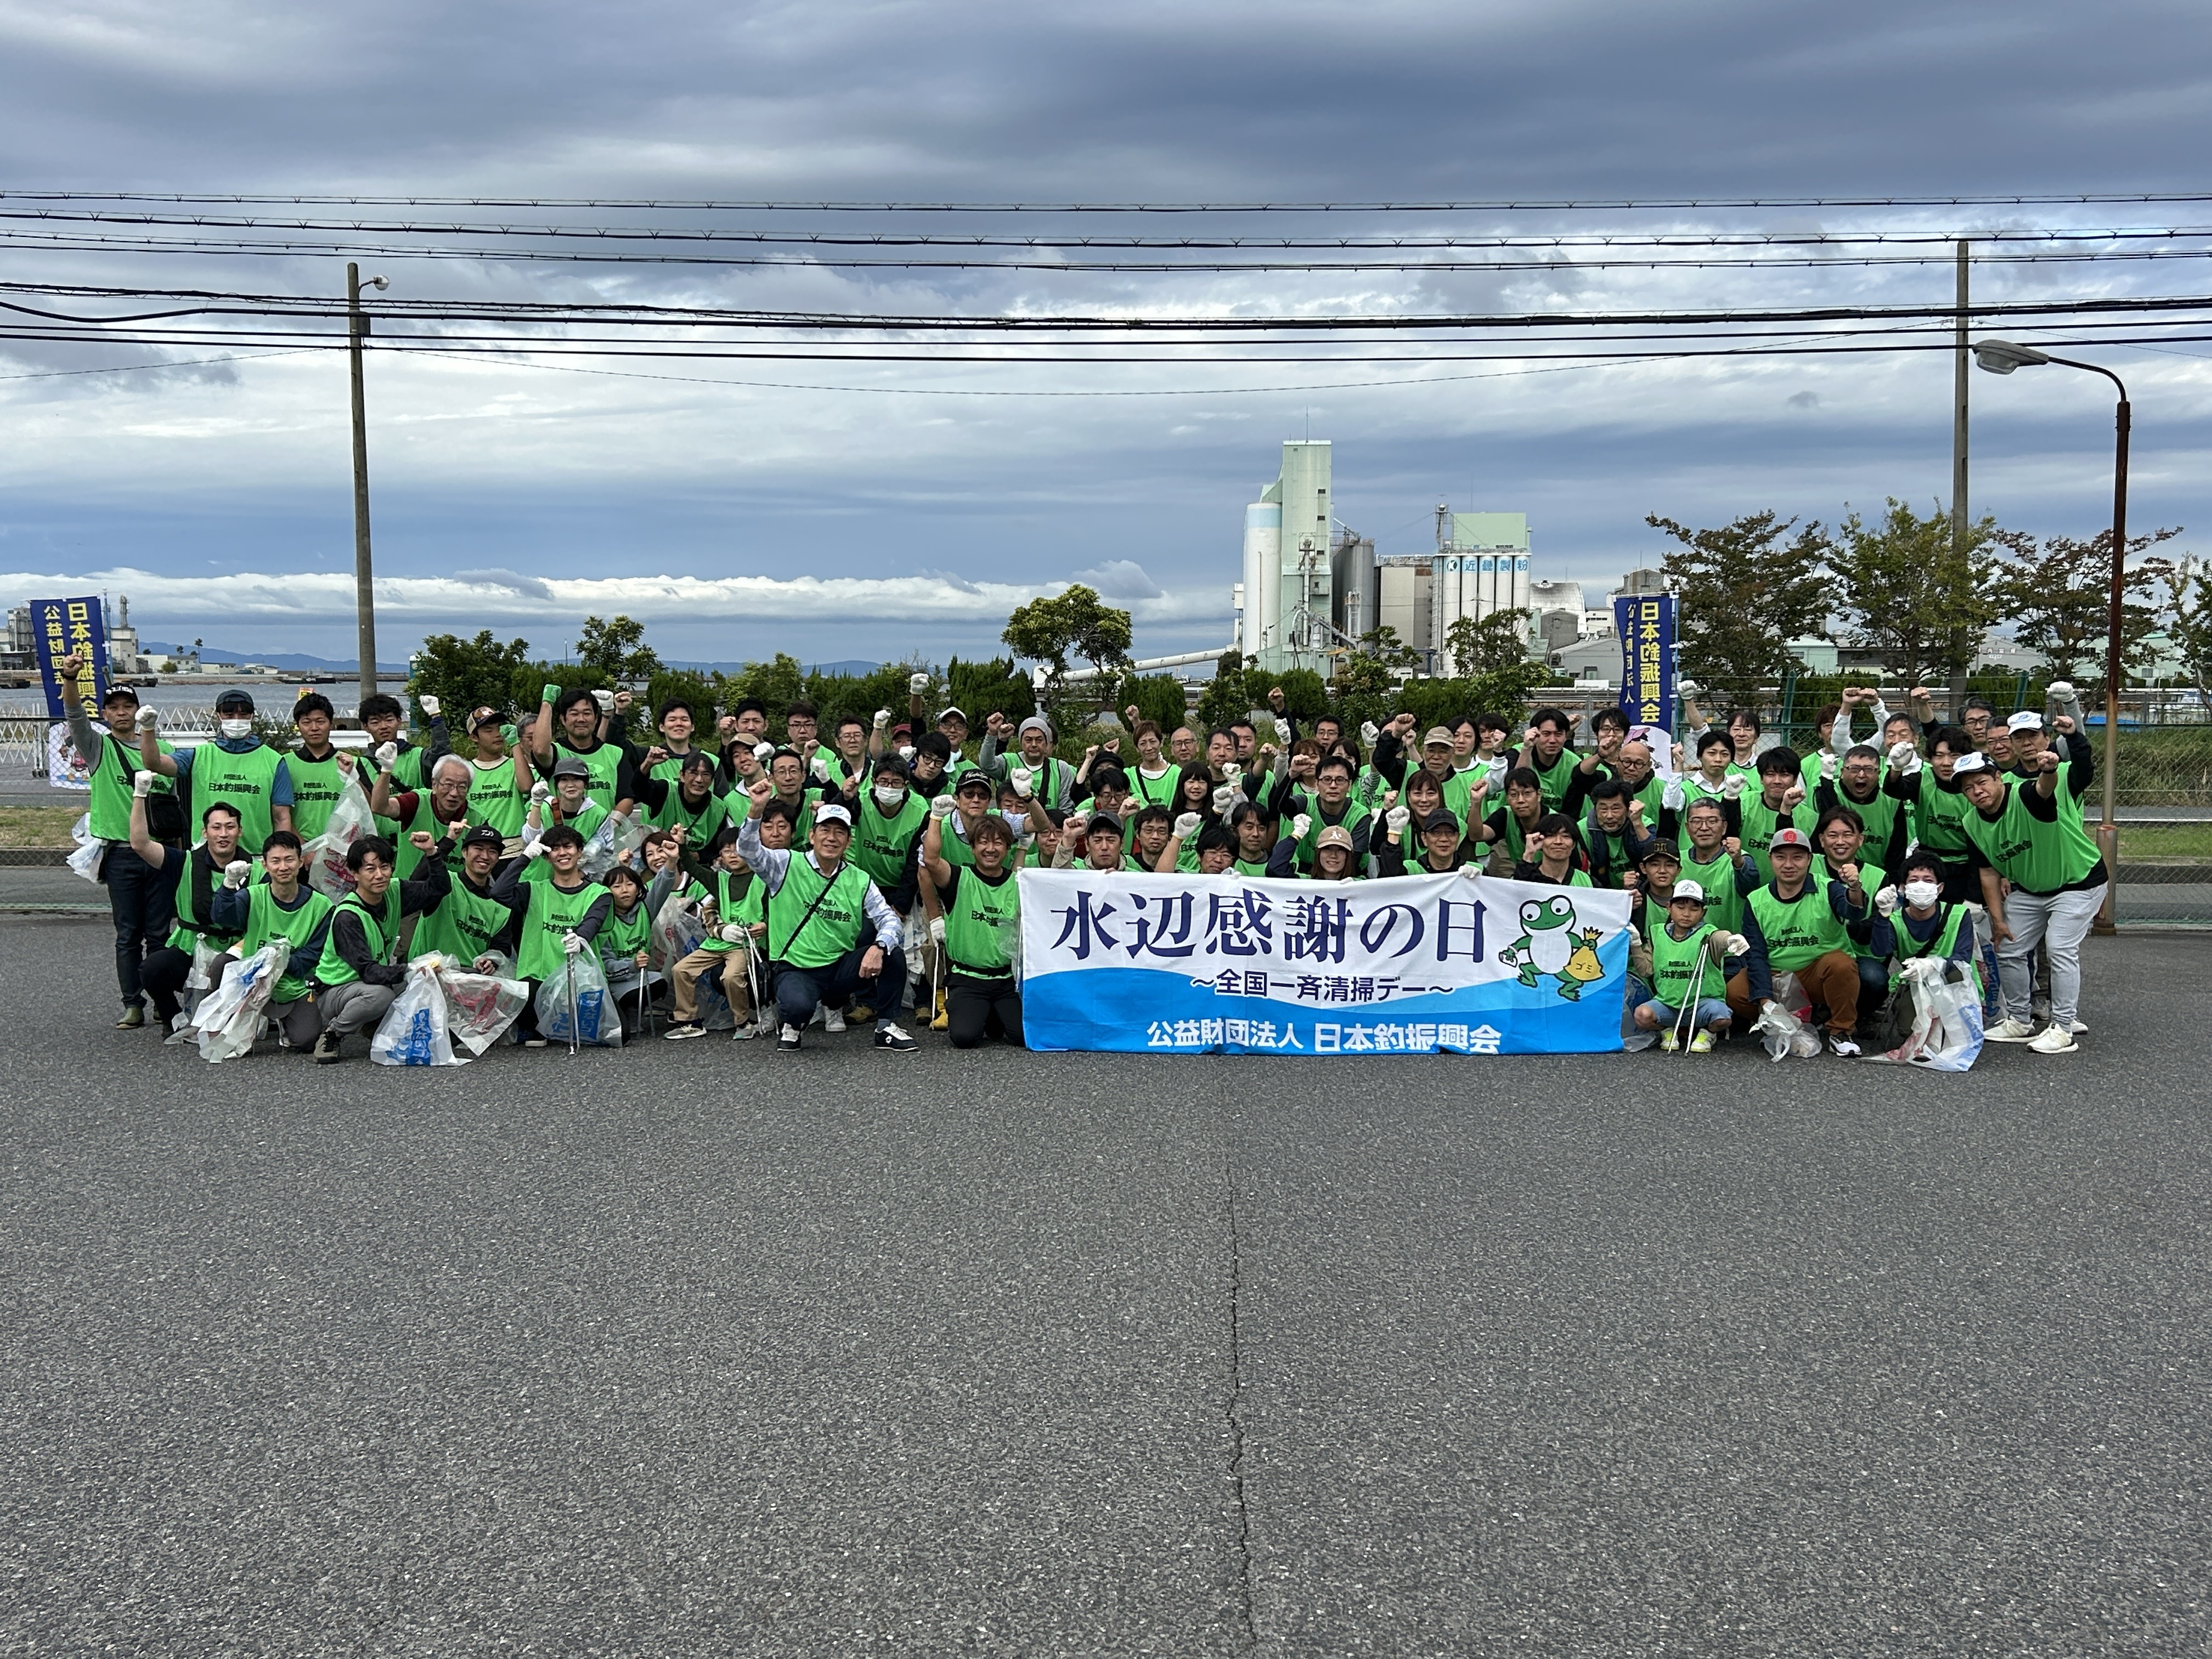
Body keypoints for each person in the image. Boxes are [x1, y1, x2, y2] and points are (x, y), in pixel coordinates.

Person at [737, 786, 915, 1051]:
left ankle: (886, 1026)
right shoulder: (786, 863)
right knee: (798, 1007)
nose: (832, 838)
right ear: (812, 835)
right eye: (825, 830)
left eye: (840, 832)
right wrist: (755, 810)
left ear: (848, 840)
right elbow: (749, 852)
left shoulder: (859, 879)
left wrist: (878, 948)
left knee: (892, 953)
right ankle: (793, 1024)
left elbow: (889, 920)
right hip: (796, 968)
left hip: (839, 968)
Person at [1956, 746, 2107, 1055]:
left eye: (1982, 782)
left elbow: (2043, 788)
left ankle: (2063, 1028)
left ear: (1998, 778)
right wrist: (1998, 921)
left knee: (2059, 946)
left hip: (2078, 881)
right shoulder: (1972, 822)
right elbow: (1988, 873)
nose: (1977, 791)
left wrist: (2049, 770)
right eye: (1969, 788)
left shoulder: (2023, 795)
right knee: (2008, 945)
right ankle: (2019, 1021)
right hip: (2031, 888)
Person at [57, 652, 179, 1028]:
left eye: (129, 706)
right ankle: (132, 1003)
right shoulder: (97, 749)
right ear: (106, 715)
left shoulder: (164, 753)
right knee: (128, 934)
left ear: (141, 713)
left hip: (160, 851)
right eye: (114, 707)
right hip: (121, 853)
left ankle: (162, 999)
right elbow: (76, 718)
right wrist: (70, 680)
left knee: (160, 932)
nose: (122, 712)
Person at [309, 831, 455, 1063]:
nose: (380, 875)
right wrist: (411, 968)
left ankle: (375, 1025)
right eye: (370, 869)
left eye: (384, 867)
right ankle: (332, 1034)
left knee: (429, 979)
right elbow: (369, 972)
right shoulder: (348, 916)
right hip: (334, 991)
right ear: (354, 874)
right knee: (381, 995)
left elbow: (438, 889)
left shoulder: (394, 892)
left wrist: (432, 853)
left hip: (366, 984)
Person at [1726, 826, 1869, 1056]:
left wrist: (1854, 887)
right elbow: (1757, 955)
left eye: (1798, 857)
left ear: (1810, 859)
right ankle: (1783, 1024)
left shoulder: (1828, 888)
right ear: (1770, 859)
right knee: (1736, 992)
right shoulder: (1756, 900)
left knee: (1841, 965)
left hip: (1817, 974)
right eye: (1781, 857)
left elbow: (1855, 913)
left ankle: (1841, 1031)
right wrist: (1765, 1003)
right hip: (1777, 975)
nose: (1789, 865)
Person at [132, 793, 252, 1037]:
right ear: (205, 832)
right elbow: (140, 844)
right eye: (216, 827)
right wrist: (140, 794)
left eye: (230, 827)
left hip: (239, 952)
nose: (223, 834)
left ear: (240, 831)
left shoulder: (257, 869)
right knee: (152, 969)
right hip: (192, 949)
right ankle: (172, 1018)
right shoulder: (183, 861)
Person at [208, 827, 334, 1051]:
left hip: (295, 984)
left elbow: (314, 953)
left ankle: (284, 1022)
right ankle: (233, 1019)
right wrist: (228, 886)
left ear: (301, 861)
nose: (283, 867)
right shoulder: (252, 895)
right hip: (252, 983)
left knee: (306, 1041)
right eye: (275, 861)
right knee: (222, 965)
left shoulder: (322, 906)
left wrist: (280, 961)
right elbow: (222, 917)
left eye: (289, 860)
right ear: (265, 865)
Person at [489, 824, 612, 1048]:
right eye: (554, 849)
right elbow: (499, 892)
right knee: (523, 997)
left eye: (568, 847)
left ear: (580, 852)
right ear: (547, 858)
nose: (562, 853)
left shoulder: (600, 893)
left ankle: (549, 1027)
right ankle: (540, 1027)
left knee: (616, 1034)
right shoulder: (533, 890)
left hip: (578, 979)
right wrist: (525, 857)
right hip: (537, 978)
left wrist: (580, 939)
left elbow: (592, 923)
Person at [136, 688, 294, 854]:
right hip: (206, 855)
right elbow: (154, 763)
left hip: (256, 856)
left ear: (252, 716)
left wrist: (278, 855)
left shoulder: (274, 761)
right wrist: (148, 729)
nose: (237, 720)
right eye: (229, 715)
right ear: (218, 716)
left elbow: (282, 817)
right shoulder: (199, 756)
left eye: (243, 715)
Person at [922, 803, 1025, 1048]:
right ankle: (982, 1013)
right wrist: (936, 817)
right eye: (984, 842)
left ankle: (993, 1014)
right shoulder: (958, 878)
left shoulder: (1017, 883)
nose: (991, 849)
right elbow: (931, 860)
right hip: (967, 978)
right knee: (965, 1038)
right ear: (972, 848)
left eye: (998, 843)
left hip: (1005, 980)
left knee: (1023, 1036)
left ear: (1007, 849)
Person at [1629, 882, 1741, 1052]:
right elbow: (1646, 970)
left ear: (1703, 912)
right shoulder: (1657, 934)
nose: (1687, 914)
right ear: (1669, 908)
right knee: (1642, 1015)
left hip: (1702, 1005)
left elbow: (1719, 937)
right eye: (1680, 907)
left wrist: (1729, 940)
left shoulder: (1707, 933)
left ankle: (1708, 1034)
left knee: (1722, 1017)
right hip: (1668, 1005)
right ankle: (1668, 1030)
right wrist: (1636, 945)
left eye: (1694, 909)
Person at [410, 823, 516, 970]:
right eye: (478, 849)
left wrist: (490, 962)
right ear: (464, 852)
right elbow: (416, 881)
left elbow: (501, 947)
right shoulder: (445, 884)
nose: (485, 856)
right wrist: (439, 847)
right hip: (429, 975)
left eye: (492, 851)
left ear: (498, 859)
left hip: (472, 981)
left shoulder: (501, 906)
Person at [368, 752, 476, 878]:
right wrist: (386, 771)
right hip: (409, 889)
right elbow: (379, 807)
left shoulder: (477, 818)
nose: (454, 793)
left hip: (454, 894)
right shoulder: (417, 802)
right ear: (434, 785)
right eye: (448, 785)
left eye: (462, 787)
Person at [531, 684, 634, 809]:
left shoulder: (615, 754)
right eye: (574, 714)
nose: (581, 719)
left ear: (596, 719)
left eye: (587, 713)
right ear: (563, 720)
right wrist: (547, 703)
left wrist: (610, 825)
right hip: (562, 829)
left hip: (607, 827)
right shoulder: (557, 753)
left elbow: (627, 799)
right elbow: (540, 750)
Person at [1675, 797, 1759, 939]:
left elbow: (1752, 891)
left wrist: (1738, 861)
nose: (1704, 828)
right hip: (1685, 948)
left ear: (1724, 827)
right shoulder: (1676, 861)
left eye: (1712, 821)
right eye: (1696, 821)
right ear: (1687, 828)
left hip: (1730, 950)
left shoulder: (1739, 858)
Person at [283, 692, 359, 845]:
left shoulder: (351, 763)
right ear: (298, 726)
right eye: (307, 722)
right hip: (299, 852)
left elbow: (366, 807)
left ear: (331, 724)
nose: (314, 728)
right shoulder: (285, 764)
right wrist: (304, 848)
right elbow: (281, 814)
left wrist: (353, 776)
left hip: (341, 850)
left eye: (320, 721)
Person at [1513, 812, 1595, 888]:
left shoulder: (1589, 883)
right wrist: (1529, 855)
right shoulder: (1519, 878)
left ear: (1574, 844)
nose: (1558, 842)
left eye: (1566, 836)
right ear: (1540, 841)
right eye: (1551, 836)